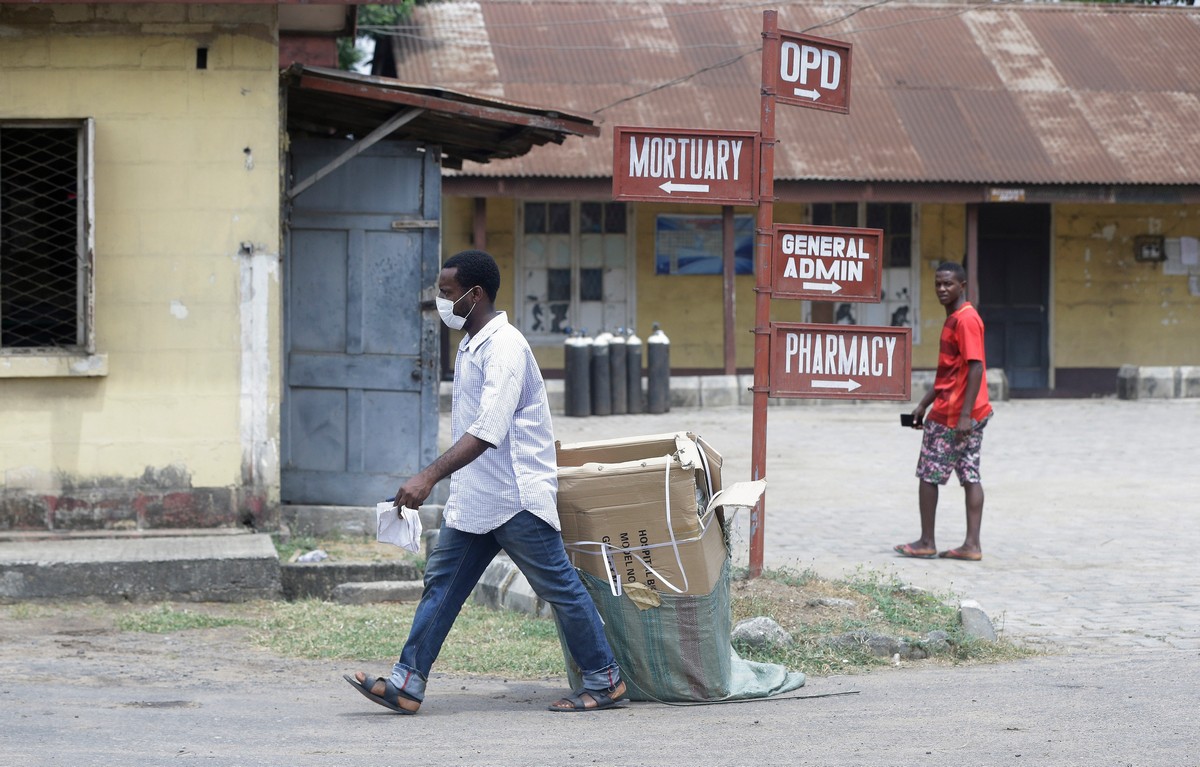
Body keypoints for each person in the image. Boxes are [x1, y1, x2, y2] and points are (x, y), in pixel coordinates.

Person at [345, 249, 625, 714]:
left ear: (474, 295)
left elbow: (488, 430)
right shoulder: (473, 344)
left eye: (447, 293)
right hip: (476, 499)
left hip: (515, 495)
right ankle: (407, 683)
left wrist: (428, 475)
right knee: (442, 584)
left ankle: (606, 679)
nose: (441, 301)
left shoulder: (507, 347)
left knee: (559, 589)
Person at [894, 261, 993, 562]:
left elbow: (976, 366)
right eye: (938, 283)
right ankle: (971, 546)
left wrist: (963, 415)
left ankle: (926, 541)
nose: (941, 289)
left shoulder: (965, 320)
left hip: (955, 415)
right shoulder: (955, 319)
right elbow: (950, 373)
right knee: (969, 474)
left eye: (948, 284)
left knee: (928, 474)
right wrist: (923, 404)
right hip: (967, 411)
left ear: (962, 286)